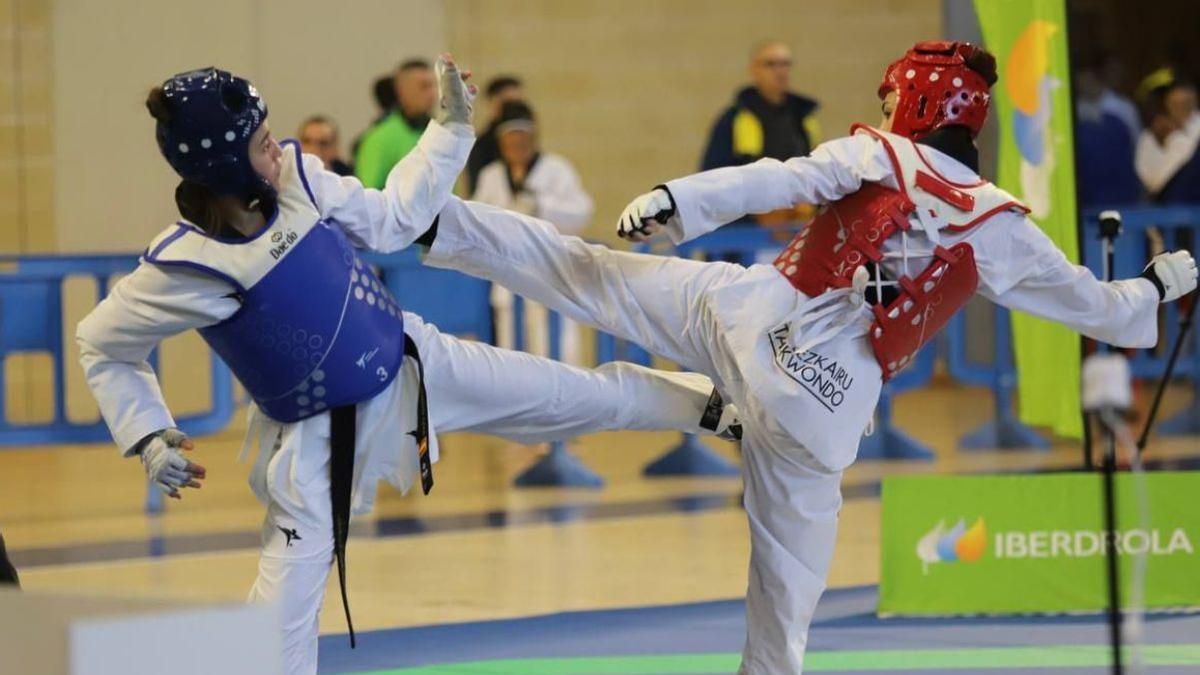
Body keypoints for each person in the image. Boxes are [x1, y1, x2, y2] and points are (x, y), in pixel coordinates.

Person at [420, 41, 1198, 673]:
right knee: (783, 613)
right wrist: (1154, 288)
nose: (887, 112)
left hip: (753, 319)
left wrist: (675, 200)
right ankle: (707, 422)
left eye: (896, 101)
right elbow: (1095, 306)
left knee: (585, 273)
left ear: (919, 105)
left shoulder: (882, 155)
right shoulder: (1003, 226)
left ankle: (439, 226)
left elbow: (780, 177)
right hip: (826, 409)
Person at [76, 58, 736, 675]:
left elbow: (395, 220)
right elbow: (103, 343)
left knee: (573, 396)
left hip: (413, 364)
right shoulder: (181, 267)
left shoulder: (301, 181)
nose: (275, 148)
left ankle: (711, 407)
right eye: (259, 142)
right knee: (280, 619)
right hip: (310, 446)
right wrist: (148, 434)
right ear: (223, 166)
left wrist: (448, 130)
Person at [472, 101, 593, 363]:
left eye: (523, 143)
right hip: (508, 285)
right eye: (511, 144)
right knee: (513, 362)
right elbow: (477, 222)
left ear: (534, 138)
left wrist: (541, 205)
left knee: (562, 359)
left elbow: (582, 212)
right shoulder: (491, 176)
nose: (517, 149)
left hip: (552, 281)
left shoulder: (557, 169)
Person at [354, 59, 436, 189]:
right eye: (423, 87)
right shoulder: (378, 138)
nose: (433, 94)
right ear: (401, 91)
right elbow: (367, 196)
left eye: (433, 86)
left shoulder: (437, 133)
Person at [1074, 53, 1142, 208]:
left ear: (1098, 80)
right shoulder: (1073, 116)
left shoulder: (1121, 112)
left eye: (1089, 80)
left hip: (1122, 195)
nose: (1085, 85)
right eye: (1081, 81)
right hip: (1089, 197)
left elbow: (1136, 149)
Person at [1135, 68, 1200, 204]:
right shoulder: (1150, 137)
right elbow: (1154, 183)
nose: (1183, 108)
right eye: (1176, 104)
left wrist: (1175, 139)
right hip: (1167, 215)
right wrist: (1172, 139)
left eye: (1187, 104)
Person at [465, 75, 524, 193]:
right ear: (492, 105)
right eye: (509, 104)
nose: (514, 111)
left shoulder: (525, 140)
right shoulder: (481, 147)